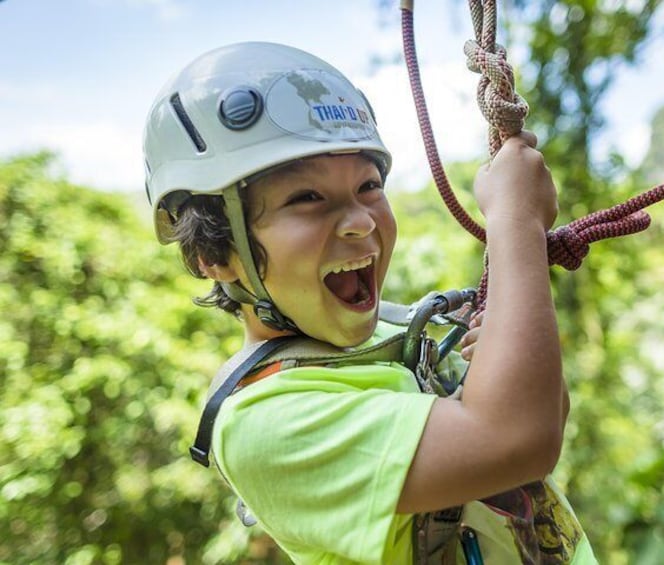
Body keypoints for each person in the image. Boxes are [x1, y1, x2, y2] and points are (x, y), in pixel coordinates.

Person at [144, 41, 597, 564]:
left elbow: (545, 409)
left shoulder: (393, 335)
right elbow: (521, 440)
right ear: (214, 254)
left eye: (368, 186)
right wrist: (517, 223)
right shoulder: (265, 425)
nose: (360, 220)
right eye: (306, 198)